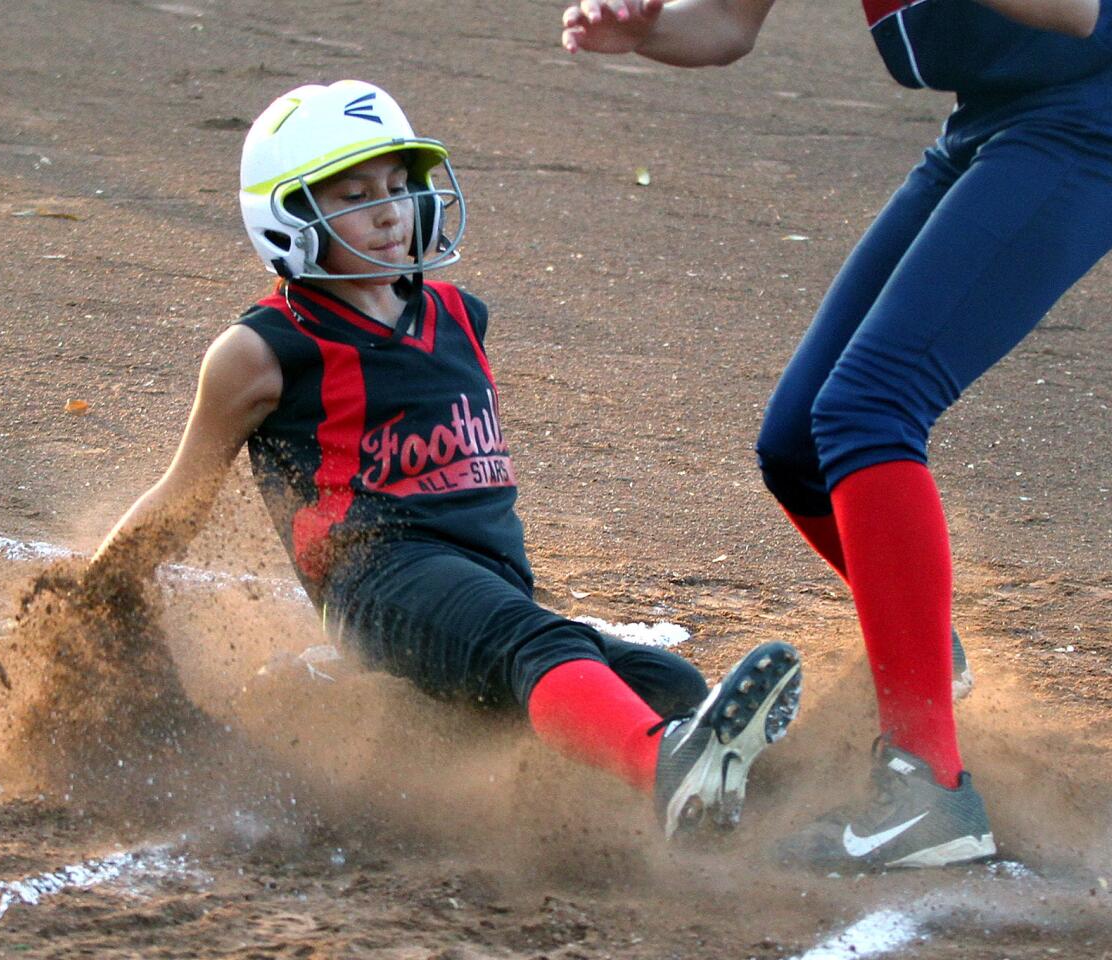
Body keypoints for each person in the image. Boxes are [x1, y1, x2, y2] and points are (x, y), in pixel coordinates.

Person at [85, 79, 804, 840]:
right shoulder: (263, 350)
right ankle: (665, 775)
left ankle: (729, 805)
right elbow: (184, 489)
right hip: (379, 579)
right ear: (291, 218)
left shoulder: (459, 314)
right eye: (356, 195)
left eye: (399, 186)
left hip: (482, 579)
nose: (392, 211)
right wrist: (92, 598)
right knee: (542, 646)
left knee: (667, 681)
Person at [559, 0, 1112, 867]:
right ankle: (919, 654)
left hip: (1085, 125)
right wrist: (644, 31)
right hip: (989, 128)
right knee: (797, 445)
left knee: (868, 409)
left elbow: (1081, 12)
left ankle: (928, 793)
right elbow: (725, 26)